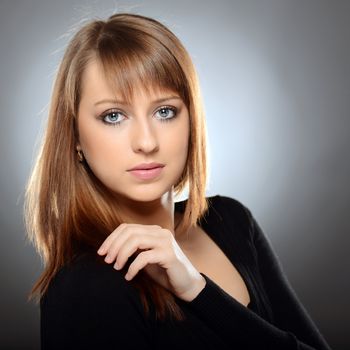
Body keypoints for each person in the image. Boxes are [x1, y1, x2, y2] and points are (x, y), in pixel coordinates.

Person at [24, 12, 331, 350]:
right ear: (75, 136)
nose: (146, 141)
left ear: (191, 120)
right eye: (114, 116)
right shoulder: (86, 286)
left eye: (165, 111)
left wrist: (198, 291)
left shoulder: (231, 221)